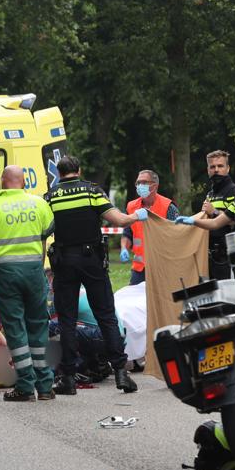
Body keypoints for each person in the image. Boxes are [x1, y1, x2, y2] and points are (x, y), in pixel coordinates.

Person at [43, 155, 145, 396]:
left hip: (64, 261)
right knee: (106, 315)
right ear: (79, 170)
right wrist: (137, 216)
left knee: (66, 319)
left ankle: (67, 377)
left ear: (58, 172)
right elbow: (118, 219)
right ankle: (121, 372)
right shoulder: (92, 192)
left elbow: (43, 229)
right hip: (91, 260)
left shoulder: (50, 197)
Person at [0, 165, 56, 402]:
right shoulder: (39, 204)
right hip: (34, 273)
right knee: (38, 326)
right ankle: (46, 385)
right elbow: (48, 229)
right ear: (23, 181)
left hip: (5, 275)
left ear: (2, 181)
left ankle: (26, 387)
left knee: (16, 329)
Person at [177, 151, 235, 280]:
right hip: (208, 255)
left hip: (226, 256)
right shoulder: (210, 194)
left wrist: (214, 212)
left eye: (220, 166)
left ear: (228, 168)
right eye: (212, 167)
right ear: (208, 170)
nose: (216, 170)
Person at [121, 169, 179, 285]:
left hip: (162, 267)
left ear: (155, 186)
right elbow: (127, 233)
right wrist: (124, 248)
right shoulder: (131, 206)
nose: (140, 186)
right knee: (136, 300)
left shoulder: (168, 207)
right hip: (139, 268)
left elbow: (176, 236)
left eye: (144, 182)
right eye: (138, 183)